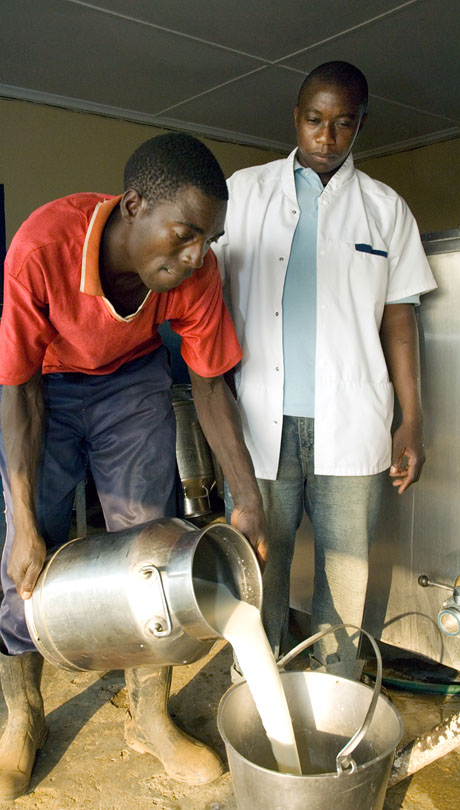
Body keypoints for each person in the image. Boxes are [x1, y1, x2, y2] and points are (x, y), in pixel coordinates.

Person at [0, 132, 267, 803]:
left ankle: (147, 714)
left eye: (209, 240)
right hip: (39, 380)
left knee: (150, 549)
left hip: (129, 378)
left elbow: (211, 384)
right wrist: (22, 521)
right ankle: (24, 720)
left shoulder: (195, 274)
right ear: (134, 205)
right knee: (29, 552)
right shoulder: (44, 243)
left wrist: (247, 498)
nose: (196, 256)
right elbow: (14, 386)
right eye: (185, 234)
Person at [213, 61, 437, 678]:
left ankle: (337, 691)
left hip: (354, 420)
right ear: (296, 118)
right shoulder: (244, 193)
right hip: (260, 420)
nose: (326, 136)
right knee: (259, 563)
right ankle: (253, 686)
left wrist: (412, 420)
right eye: (315, 120)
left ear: (361, 125)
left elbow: (400, 321)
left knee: (345, 569)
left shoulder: (385, 210)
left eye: (342, 124)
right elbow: (198, 289)